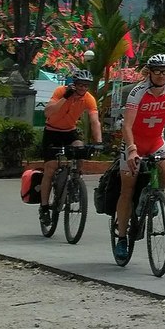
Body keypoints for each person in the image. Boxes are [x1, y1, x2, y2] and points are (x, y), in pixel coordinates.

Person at [113, 53, 165, 259]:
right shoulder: (138, 92)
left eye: (164, 71)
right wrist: (131, 150)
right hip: (134, 142)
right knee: (127, 189)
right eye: (156, 71)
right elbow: (127, 125)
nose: (160, 75)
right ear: (150, 72)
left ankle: (150, 195)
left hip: (156, 140)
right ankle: (122, 237)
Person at [39, 70, 103, 218]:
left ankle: (75, 179)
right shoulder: (60, 91)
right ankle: (44, 207)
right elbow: (48, 113)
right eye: (80, 85)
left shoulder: (89, 99)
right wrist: (65, 98)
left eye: (86, 86)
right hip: (52, 131)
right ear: (74, 85)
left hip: (69, 131)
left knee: (80, 148)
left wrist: (98, 142)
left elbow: (95, 121)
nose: (82, 89)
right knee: (50, 168)